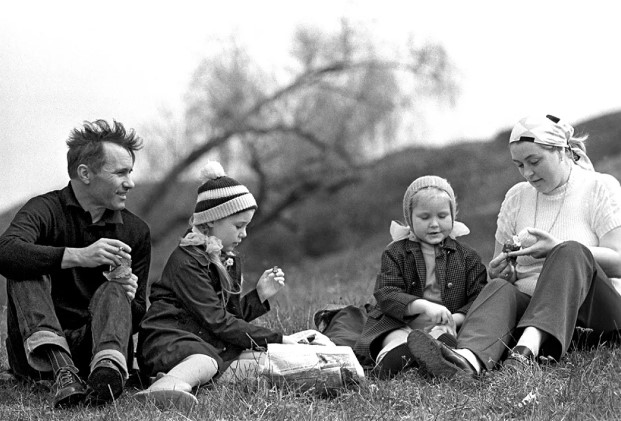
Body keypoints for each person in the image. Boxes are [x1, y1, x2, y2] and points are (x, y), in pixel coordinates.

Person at [135, 161, 362, 411]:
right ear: (210, 222)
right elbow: (218, 322)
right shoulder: (186, 261)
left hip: (208, 343)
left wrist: (259, 295)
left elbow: (230, 319)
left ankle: (335, 372)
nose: (243, 234)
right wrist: (280, 338)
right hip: (168, 343)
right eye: (238, 226)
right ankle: (164, 388)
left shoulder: (228, 260)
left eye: (246, 226)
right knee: (208, 361)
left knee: (260, 363)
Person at [408, 114, 621, 379]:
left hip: (595, 314)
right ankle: (466, 361)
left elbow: (618, 261)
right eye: (519, 165)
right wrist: (501, 271)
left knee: (570, 251)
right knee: (498, 287)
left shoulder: (599, 187)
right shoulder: (517, 197)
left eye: (534, 161)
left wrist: (557, 248)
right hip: (533, 309)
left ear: (561, 151)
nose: (528, 173)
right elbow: (498, 268)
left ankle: (524, 352)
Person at [0, 120, 151, 407]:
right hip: (36, 357)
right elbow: (5, 252)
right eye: (120, 172)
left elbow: (138, 316)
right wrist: (80, 255)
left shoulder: (135, 231)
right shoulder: (44, 209)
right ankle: (63, 372)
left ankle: (106, 377)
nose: (130, 182)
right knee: (24, 264)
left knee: (116, 291)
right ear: (85, 173)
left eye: (130, 172)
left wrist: (127, 297)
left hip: (95, 351)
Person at [353, 175, 487, 378]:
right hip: (399, 321)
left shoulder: (468, 257)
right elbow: (386, 292)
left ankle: (436, 355)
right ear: (410, 218)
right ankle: (391, 358)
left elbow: (479, 297)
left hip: (443, 324)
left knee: (442, 337)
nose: (434, 224)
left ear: (453, 215)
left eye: (442, 216)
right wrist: (424, 306)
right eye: (425, 218)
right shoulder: (396, 252)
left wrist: (453, 318)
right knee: (395, 337)